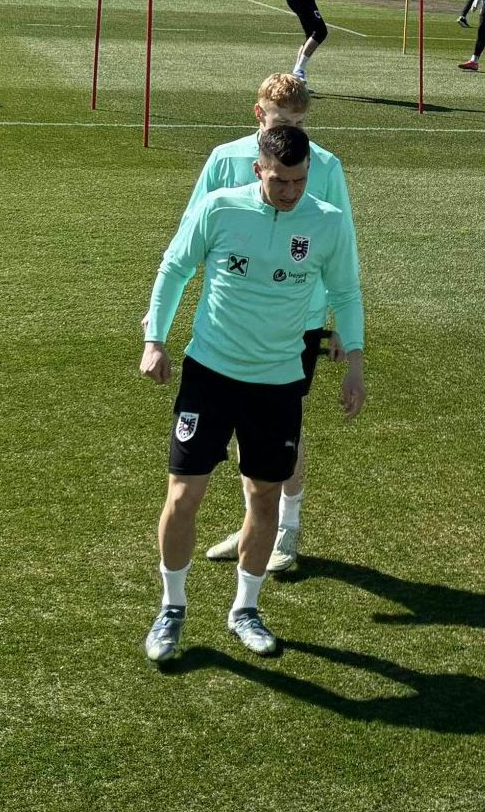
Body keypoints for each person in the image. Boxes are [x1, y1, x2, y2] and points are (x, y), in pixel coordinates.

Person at [140, 123, 365, 663]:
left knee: (264, 497)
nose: (291, 192)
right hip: (210, 373)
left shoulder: (327, 223)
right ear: (257, 170)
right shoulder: (220, 207)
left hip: (279, 383)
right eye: (281, 181)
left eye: (300, 181)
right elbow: (174, 269)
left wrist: (354, 361)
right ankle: (172, 608)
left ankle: (245, 608)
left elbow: (346, 290)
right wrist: (154, 339)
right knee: (182, 496)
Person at [187, 72, 355, 575]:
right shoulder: (224, 159)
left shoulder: (324, 165)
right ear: (259, 116)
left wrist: (342, 325)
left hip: (296, 323)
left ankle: (287, 528)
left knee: (286, 427)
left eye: (301, 123)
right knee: (243, 432)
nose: (295, 134)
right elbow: (191, 235)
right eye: (284, 123)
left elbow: (340, 247)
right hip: (231, 324)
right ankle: (256, 523)